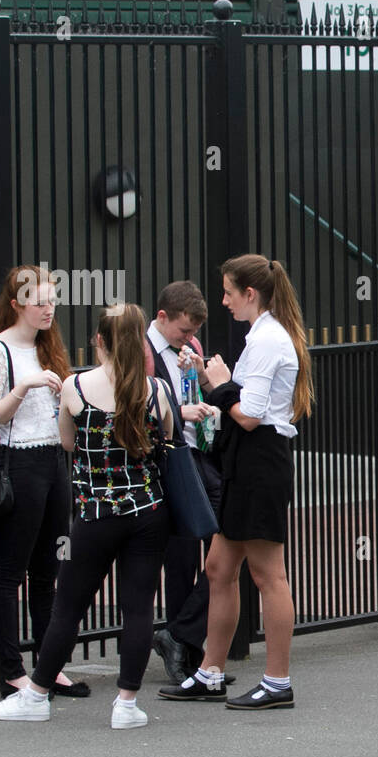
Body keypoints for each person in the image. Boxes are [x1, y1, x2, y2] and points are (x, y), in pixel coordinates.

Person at [0, 303, 176, 728]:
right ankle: (126, 704)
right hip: (149, 511)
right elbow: (167, 437)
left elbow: (67, 444)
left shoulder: (77, 388)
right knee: (139, 607)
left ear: (100, 340)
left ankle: (35, 694)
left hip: (95, 515)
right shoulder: (157, 389)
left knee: (68, 606)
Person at [158, 255, 314, 710]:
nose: (222, 300)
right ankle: (210, 671)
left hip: (261, 462)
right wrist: (212, 378)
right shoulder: (262, 335)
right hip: (247, 464)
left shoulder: (268, 339)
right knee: (218, 570)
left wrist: (220, 384)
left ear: (251, 294)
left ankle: (277, 681)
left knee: (269, 575)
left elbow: (247, 415)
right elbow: (241, 405)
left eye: (228, 292)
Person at [0, 264, 88, 700]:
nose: (49, 310)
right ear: (17, 303)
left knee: (49, 570)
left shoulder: (47, 347)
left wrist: (64, 395)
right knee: (10, 572)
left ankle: (48, 666)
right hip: (19, 462)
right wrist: (25, 386)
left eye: (52, 302)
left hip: (52, 462)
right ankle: (11, 669)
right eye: (40, 302)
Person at [144, 281, 226, 684]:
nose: (190, 339)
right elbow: (134, 405)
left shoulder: (188, 350)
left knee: (227, 546)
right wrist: (182, 409)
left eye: (194, 332)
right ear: (161, 318)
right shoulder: (142, 352)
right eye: (183, 331)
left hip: (199, 456)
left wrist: (201, 379)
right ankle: (186, 656)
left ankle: (180, 637)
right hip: (168, 459)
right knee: (179, 559)